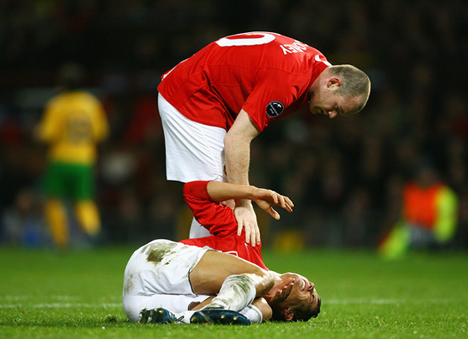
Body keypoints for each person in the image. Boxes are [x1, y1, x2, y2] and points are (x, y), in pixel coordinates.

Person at [157, 32, 371, 246]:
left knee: (223, 195)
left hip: (210, 95)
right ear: (333, 83)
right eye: (336, 108)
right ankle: (198, 271)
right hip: (192, 94)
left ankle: (207, 267)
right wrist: (244, 203)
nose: (332, 115)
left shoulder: (316, 65)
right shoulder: (290, 80)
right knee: (222, 198)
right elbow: (237, 139)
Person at [123, 180, 321, 324]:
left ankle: (183, 319)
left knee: (262, 309)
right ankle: (216, 310)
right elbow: (192, 192)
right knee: (263, 278)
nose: (312, 286)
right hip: (153, 265)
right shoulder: (247, 238)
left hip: (142, 307)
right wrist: (250, 193)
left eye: (311, 298)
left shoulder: (258, 307)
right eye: (314, 288)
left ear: (288, 313)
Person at [35, 63, 109, 249]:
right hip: (84, 160)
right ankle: (93, 232)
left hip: (60, 159)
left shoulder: (57, 103)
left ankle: (61, 240)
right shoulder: (91, 103)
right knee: (83, 199)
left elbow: (46, 134)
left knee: (54, 199)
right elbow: (101, 133)